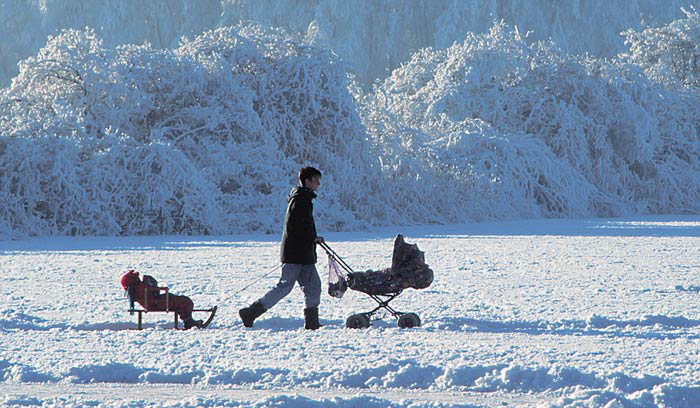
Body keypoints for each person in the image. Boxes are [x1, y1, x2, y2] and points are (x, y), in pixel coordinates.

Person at [239, 166, 325, 330]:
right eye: (316, 180)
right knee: (284, 287)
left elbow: (303, 226)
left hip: (304, 253)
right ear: (306, 181)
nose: (318, 184)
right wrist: (312, 238)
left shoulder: (304, 199)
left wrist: (312, 239)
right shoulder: (299, 199)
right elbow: (295, 227)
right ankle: (250, 312)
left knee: (313, 286)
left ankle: (312, 323)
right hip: (295, 253)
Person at [120, 270, 204, 330]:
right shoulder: (140, 288)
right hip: (158, 303)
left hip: (156, 302)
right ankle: (188, 322)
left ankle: (188, 320)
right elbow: (154, 290)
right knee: (185, 301)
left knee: (180, 300)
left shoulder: (134, 290)